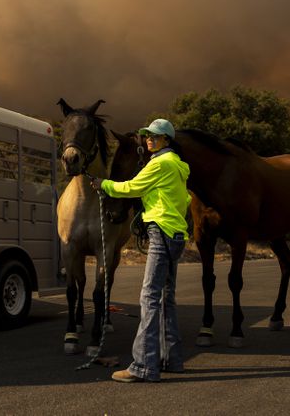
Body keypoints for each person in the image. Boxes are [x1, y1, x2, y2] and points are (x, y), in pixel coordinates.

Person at [90, 118, 191, 383]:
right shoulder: (179, 167)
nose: (148, 139)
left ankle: (143, 366)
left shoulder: (160, 164)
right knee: (166, 299)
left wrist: (104, 185)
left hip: (161, 233)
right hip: (176, 234)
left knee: (149, 298)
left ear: (166, 140)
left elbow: (132, 187)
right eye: (147, 135)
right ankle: (173, 359)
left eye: (155, 136)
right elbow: (184, 200)